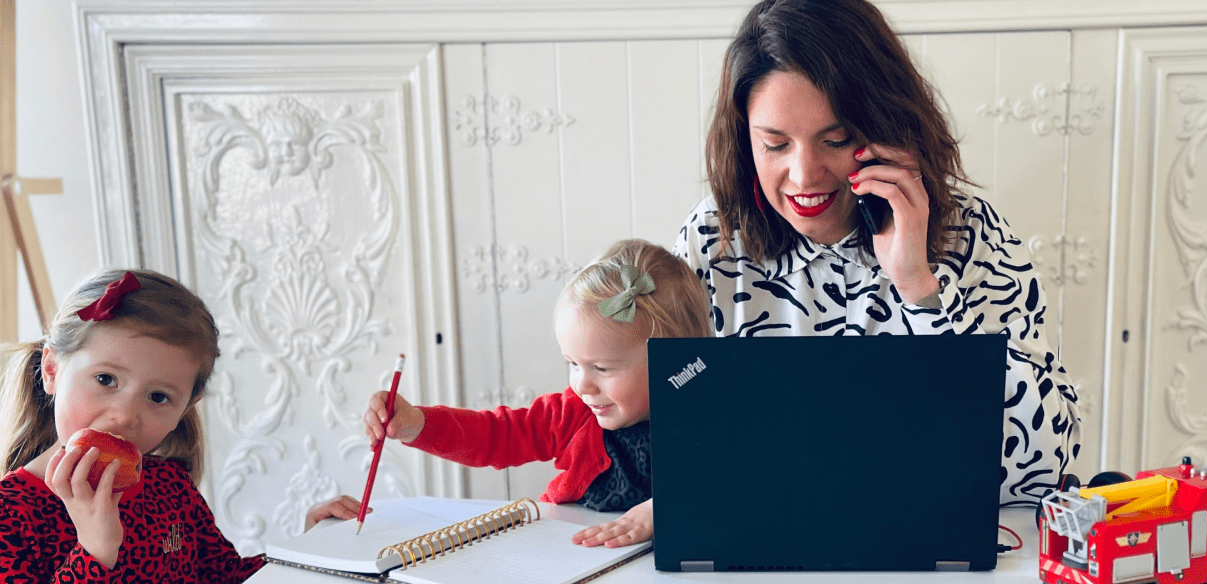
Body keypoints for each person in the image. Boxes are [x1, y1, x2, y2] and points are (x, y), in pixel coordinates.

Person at [674, 0, 1080, 504]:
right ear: (745, 141)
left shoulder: (967, 230)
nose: (804, 176)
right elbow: (665, 412)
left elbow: (1045, 465)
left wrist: (921, 289)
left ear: (886, 126)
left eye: (837, 139)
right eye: (775, 145)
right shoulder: (713, 237)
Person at [0, 269, 352, 581]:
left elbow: (226, 577)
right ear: (52, 370)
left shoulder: (170, 487)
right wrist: (94, 552)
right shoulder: (11, 514)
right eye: (106, 379)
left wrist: (308, 551)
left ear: (184, 409)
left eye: (157, 397)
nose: (125, 415)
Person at [363, 239, 711, 548]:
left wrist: (664, 505)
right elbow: (497, 435)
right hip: (569, 555)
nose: (581, 385)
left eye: (601, 368)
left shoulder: (708, 422)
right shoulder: (574, 412)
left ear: (672, 361)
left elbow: (732, 484)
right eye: (573, 364)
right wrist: (418, 425)